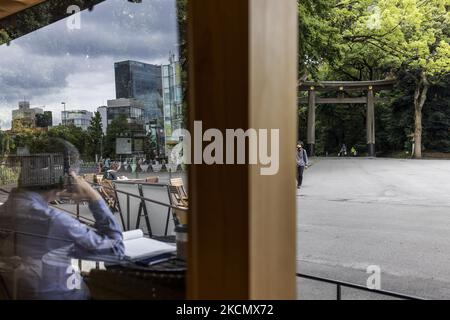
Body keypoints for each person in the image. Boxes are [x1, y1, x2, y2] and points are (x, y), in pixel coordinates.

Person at [0, 139, 124, 299]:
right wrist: (94, 197)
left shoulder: (6, 211)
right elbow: (116, 251)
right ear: (66, 177)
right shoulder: (53, 221)